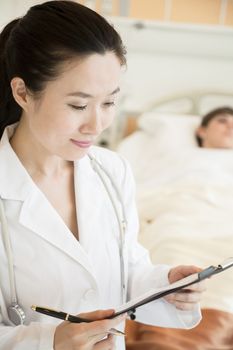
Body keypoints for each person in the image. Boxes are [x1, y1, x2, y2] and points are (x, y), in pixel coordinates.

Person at [0, 1, 205, 349]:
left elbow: (127, 269)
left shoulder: (112, 170)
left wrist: (165, 284)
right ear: (22, 92)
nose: (96, 125)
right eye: (78, 105)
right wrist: (50, 341)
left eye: (109, 102)